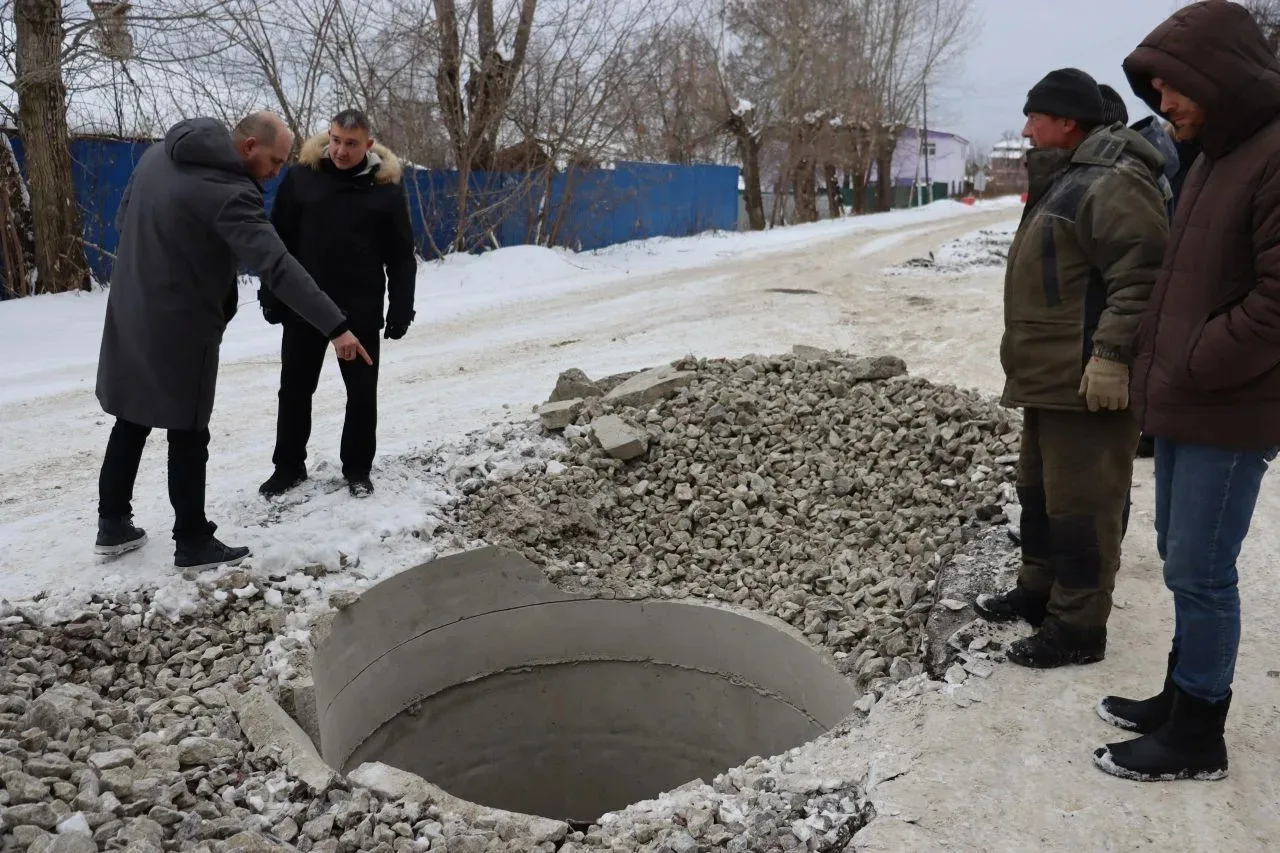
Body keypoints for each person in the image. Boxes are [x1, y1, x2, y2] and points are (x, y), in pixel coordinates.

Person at [1094, 0, 1280, 783]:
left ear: (1220, 75)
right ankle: (1180, 695)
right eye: (1155, 86)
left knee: (1202, 569)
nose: (1161, 101)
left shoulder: (1272, 154)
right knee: (1180, 554)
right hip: (1188, 397)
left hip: (1229, 406)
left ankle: (1200, 733)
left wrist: (1196, 357)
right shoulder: (1211, 156)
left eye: (1172, 84)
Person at [95, 112, 373, 571]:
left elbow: (125, 219)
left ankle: (112, 524)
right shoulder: (229, 193)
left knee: (132, 416)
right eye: (275, 161)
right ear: (248, 148)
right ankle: (192, 541)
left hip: (130, 304)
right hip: (183, 321)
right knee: (188, 427)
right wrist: (336, 325)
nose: (277, 172)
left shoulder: (157, 156)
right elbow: (278, 267)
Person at [976, 68, 1169, 669]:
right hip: (1050, 377)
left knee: (1084, 509)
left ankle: (1079, 628)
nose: (1026, 129)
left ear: (1067, 121)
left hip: (1087, 381)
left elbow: (1142, 279)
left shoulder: (1114, 180)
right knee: (1040, 495)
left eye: (1035, 117)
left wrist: (1110, 358)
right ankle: (1039, 592)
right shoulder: (1070, 175)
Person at [258, 109, 417, 498]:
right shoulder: (302, 178)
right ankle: (288, 467)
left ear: (368, 144)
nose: (341, 151)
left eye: (351, 143)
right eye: (335, 140)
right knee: (294, 390)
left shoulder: (384, 189)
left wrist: (401, 307)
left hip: (359, 306)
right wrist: (271, 294)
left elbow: (400, 255)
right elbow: (276, 241)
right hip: (304, 304)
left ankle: (358, 469)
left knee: (361, 395)